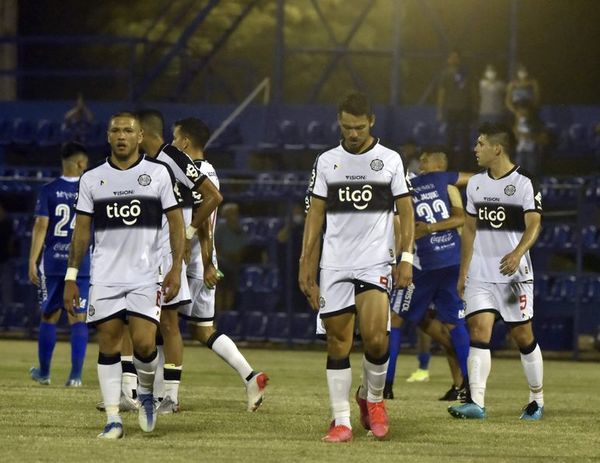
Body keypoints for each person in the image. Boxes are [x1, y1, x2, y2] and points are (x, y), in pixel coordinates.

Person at [299, 92, 414, 443]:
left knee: (377, 339)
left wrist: (405, 258)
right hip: (334, 263)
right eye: (347, 127)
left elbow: (406, 211)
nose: (353, 133)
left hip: (374, 260)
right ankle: (341, 421)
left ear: (372, 122)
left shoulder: (390, 160)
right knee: (338, 342)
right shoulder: (327, 161)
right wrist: (307, 263)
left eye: (359, 127)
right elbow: (315, 214)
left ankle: (373, 399)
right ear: (339, 121)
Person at [63, 111, 185, 439]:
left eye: (128, 130)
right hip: (105, 276)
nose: (121, 135)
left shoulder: (158, 174)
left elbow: (175, 221)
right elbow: (82, 231)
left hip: (147, 275)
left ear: (140, 136)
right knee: (108, 343)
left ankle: (145, 393)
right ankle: (113, 420)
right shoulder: (92, 179)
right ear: (108, 136)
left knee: (145, 345)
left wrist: (174, 267)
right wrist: (71, 276)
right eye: (115, 130)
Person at [171, 117, 268, 413]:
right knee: (203, 330)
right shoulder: (210, 170)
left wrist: (203, 256)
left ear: (185, 142)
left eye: (175, 138)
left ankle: (165, 396)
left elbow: (202, 222)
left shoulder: (190, 173)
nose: (173, 143)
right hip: (204, 260)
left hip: (189, 259)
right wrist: (211, 261)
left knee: (165, 324)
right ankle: (251, 377)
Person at [448, 122, 544, 421]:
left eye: (480, 144)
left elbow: (534, 224)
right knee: (478, 331)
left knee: (523, 336)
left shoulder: (525, 182)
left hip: (514, 275)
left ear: (497, 148)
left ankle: (536, 399)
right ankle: (476, 402)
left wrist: (517, 253)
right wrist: (464, 271)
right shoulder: (476, 183)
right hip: (480, 272)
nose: (475, 149)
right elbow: (469, 230)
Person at [136, 109, 223, 412]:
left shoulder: (172, 156)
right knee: (143, 323)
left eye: (130, 131)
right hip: (145, 254)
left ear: (142, 133)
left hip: (168, 256)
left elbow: (212, 197)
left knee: (170, 323)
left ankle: (170, 397)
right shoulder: (143, 165)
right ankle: (142, 392)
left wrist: (186, 235)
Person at [384, 149, 472, 402]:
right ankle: (467, 385)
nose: (419, 164)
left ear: (430, 164)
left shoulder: (405, 187)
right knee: (453, 324)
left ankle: (386, 384)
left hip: (422, 265)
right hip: (452, 260)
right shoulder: (447, 185)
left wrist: (400, 259)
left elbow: (400, 227)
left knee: (396, 319)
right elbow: (461, 217)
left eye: (423, 160)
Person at [28, 142, 90, 387]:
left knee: (49, 316)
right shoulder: (91, 191)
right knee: (78, 318)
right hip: (83, 263)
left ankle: (44, 373)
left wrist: (32, 261)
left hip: (53, 264)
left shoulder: (49, 189)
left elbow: (41, 226)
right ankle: (75, 377)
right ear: (81, 164)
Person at [436, 50, 472, 170]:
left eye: (456, 57)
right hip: (451, 110)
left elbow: (471, 92)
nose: (453, 59)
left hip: (464, 110)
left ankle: (465, 167)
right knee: (450, 139)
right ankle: (449, 166)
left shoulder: (465, 73)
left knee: (464, 139)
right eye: (451, 57)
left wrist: (473, 107)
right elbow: (442, 92)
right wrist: (440, 111)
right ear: (448, 59)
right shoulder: (445, 74)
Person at [214, 202, 248, 312]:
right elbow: (216, 246)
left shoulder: (241, 229)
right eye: (231, 213)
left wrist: (236, 256)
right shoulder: (221, 227)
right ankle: (218, 314)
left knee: (230, 290)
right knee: (219, 289)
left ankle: (227, 314)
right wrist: (225, 255)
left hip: (234, 264)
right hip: (221, 263)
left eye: (235, 213)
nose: (234, 215)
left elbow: (243, 248)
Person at [0, 200, 16, 310]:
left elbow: (11, 242)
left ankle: (8, 312)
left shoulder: (7, 224)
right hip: (5, 259)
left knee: (7, 288)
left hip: (4, 259)